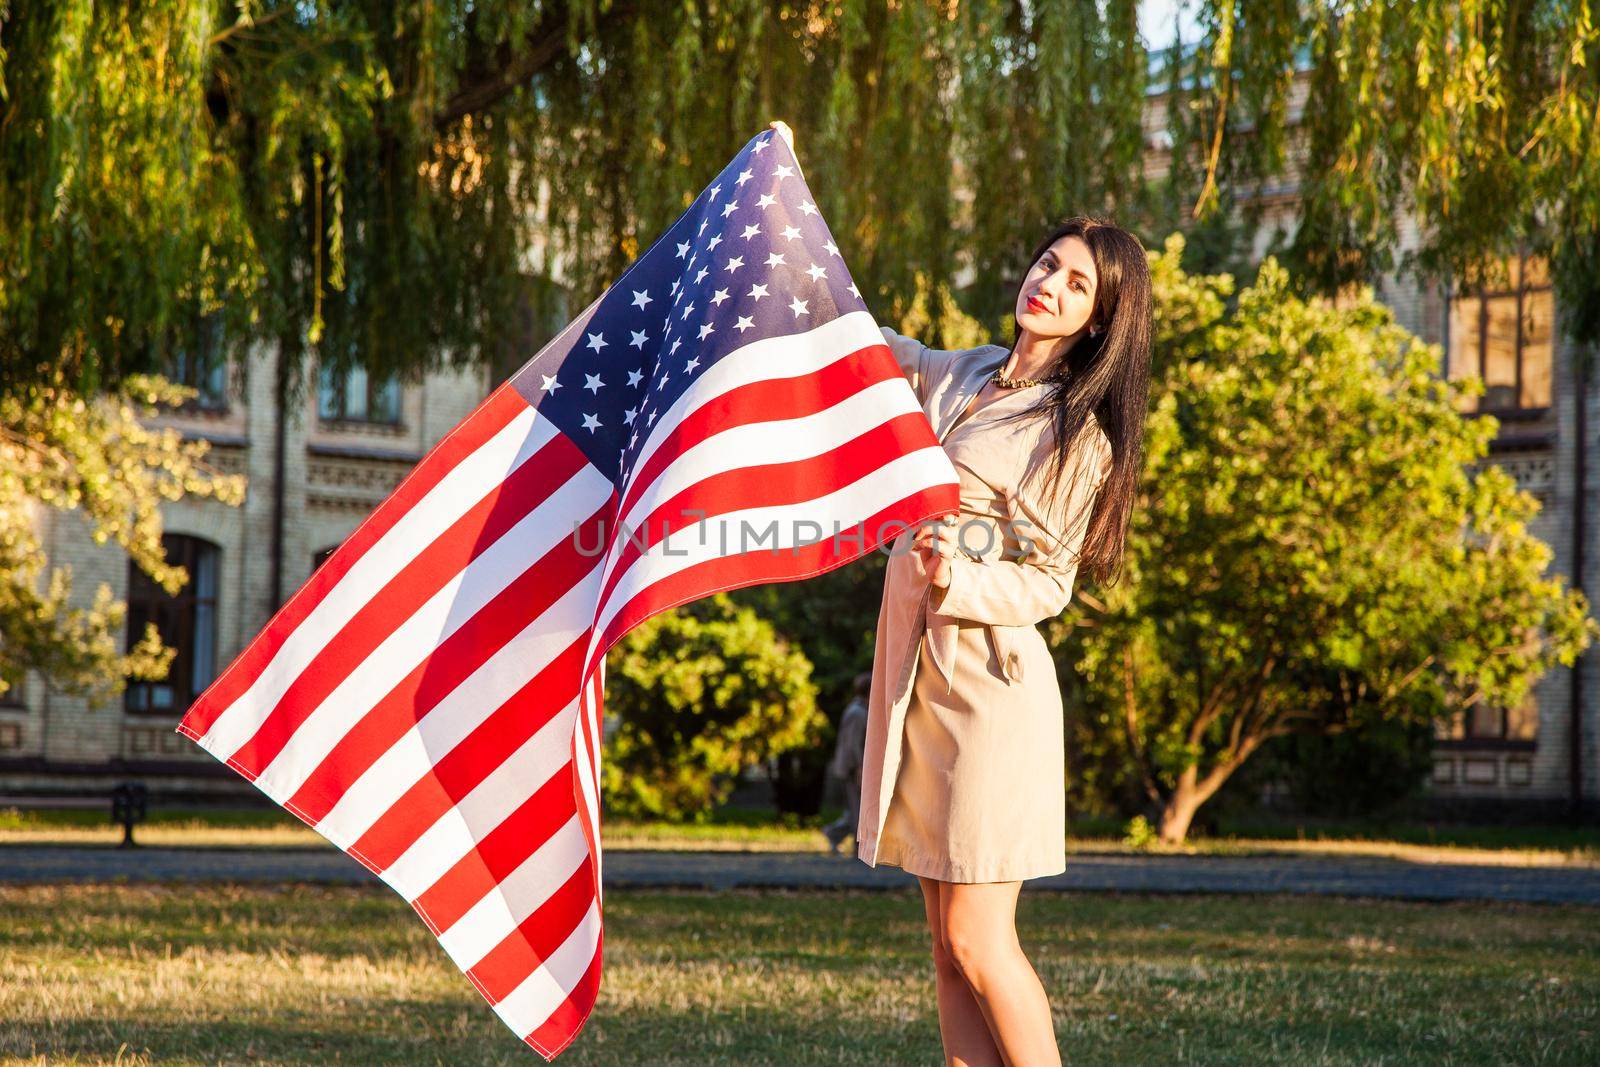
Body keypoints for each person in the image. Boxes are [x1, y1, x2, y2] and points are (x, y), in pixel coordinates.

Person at [857, 216, 1152, 1066]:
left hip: (992, 691)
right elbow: (878, 351)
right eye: (1047, 263)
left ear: (1097, 319)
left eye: (1076, 284)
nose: (1048, 285)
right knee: (946, 951)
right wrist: (795, 242)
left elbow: (1050, 584)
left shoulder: (1074, 435)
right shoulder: (969, 374)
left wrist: (961, 577)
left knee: (981, 940)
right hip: (921, 680)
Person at [821, 671, 873, 854]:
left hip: (855, 767)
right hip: (852, 768)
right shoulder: (857, 713)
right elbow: (853, 744)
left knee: (855, 809)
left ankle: (834, 834)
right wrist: (860, 767)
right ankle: (857, 846)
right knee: (857, 808)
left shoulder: (861, 709)